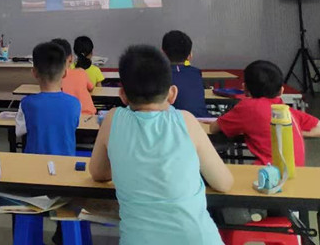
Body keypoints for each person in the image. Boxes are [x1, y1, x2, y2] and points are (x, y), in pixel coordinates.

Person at [89, 45, 233, 245]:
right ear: (172, 93)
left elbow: (98, 173)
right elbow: (224, 183)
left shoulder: (112, 120)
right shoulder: (186, 121)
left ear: (122, 95)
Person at [208, 60, 320, 165]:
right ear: (281, 91)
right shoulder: (286, 110)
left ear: (245, 88)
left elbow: (213, 129)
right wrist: (284, 132)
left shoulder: (247, 107)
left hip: (269, 173)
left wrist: (275, 132)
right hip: (293, 171)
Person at [15, 41, 81, 155]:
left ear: (34, 73)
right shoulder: (74, 103)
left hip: (33, 162)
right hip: (66, 161)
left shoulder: (26, 103)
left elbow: (19, 132)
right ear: (65, 73)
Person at [161, 30, 208, 118]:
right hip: (202, 120)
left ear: (163, 52)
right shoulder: (196, 73)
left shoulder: (158, 75)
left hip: (173, 121)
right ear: (189, 54)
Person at [53, 38, 96, 115]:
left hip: (68, 115)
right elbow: (91, 87)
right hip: (88, 114)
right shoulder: (81, 72)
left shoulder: (53, 79)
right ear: (71, 58)